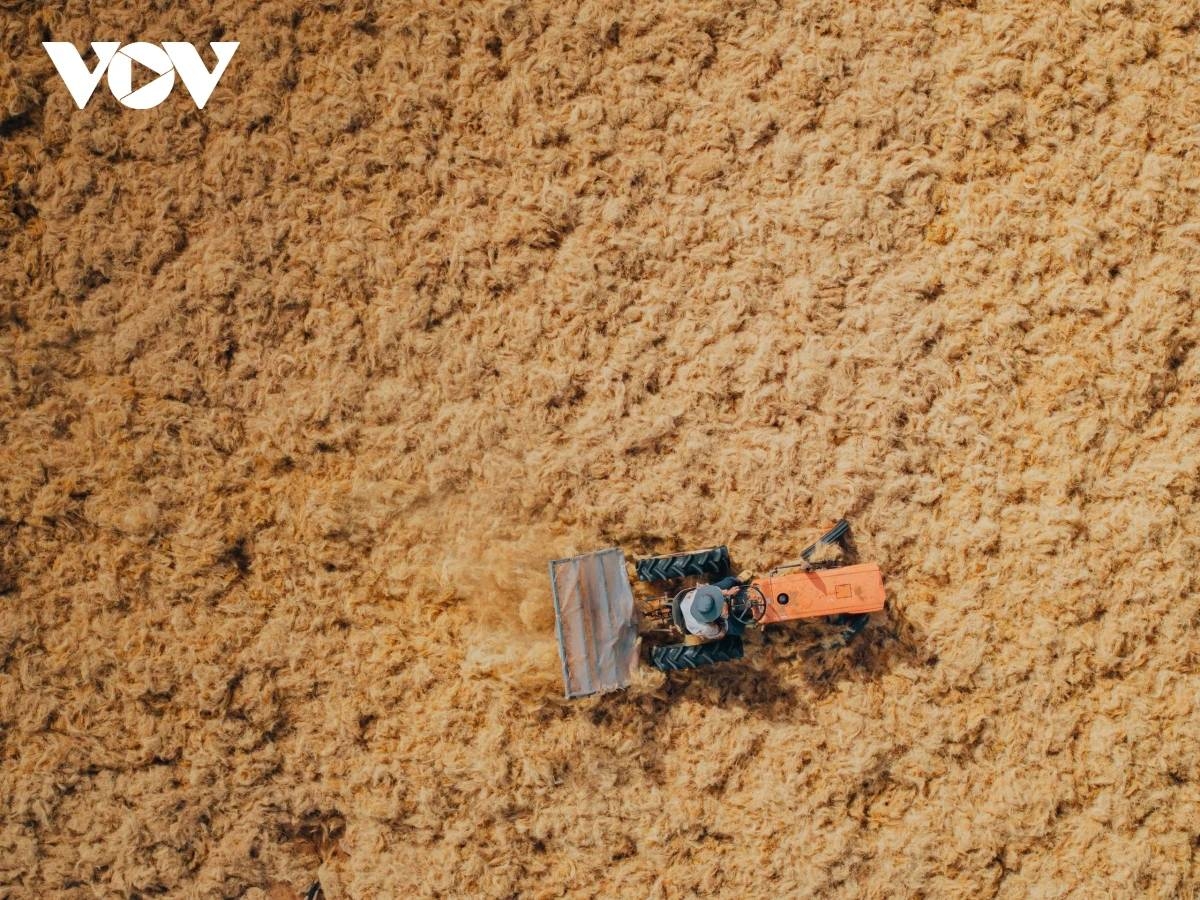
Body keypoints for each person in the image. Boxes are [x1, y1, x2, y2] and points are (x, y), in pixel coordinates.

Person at [680, 576, 745, 640]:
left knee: (727, 583)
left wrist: (727, 593)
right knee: (737, 629)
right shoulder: (705, 627)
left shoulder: (694, 595)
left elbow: (711, 589)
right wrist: (725, 616)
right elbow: (721, 633)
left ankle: (737, 580)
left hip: (695, 601)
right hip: (713, 624)